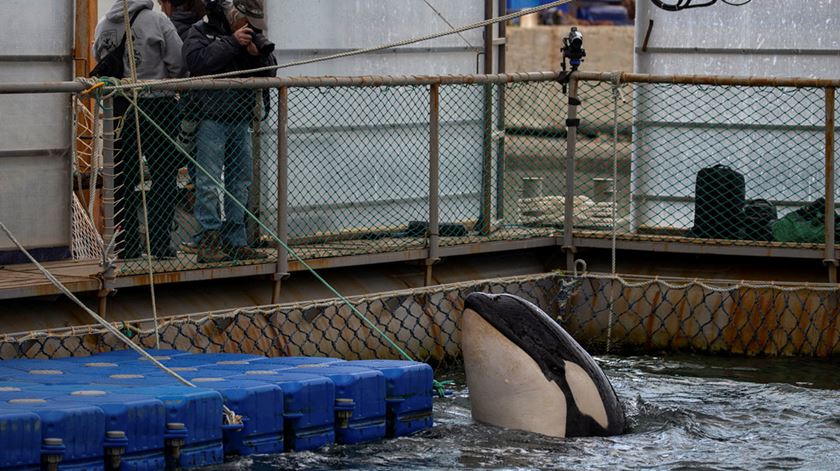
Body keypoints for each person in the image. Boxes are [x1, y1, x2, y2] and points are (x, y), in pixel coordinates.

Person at [183, 0, 276, 263]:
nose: (250, 28)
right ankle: (209, 241)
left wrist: (258, 53)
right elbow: (196, 62)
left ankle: (236, 241)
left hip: (241, 117)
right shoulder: (201, 31)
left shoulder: (249, 37)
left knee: (241, 182)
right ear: (234, 16)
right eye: (247, 23)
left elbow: (271, 72)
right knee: (209, 181)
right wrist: (232, 43)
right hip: (209, 117)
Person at [94, 0, 186, 259]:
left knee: (123, 177)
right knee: (165, 177)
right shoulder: (158, 21)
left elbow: (98, 58)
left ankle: (127, 245)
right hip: (158, 105)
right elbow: (179, 64)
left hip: (119, 107)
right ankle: (158, 244)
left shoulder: (103, 24)